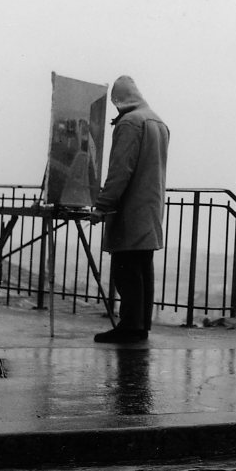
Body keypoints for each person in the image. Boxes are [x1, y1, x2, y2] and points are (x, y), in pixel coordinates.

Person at [91, 76, 170, 343]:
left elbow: (119, 170)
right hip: (150, 207)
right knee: (142, 269)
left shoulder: (129, 123)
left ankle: (129, 326)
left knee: (125, 270)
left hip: (131, 208)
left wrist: (102, 205)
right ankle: (139, 325)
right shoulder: (157, 120)